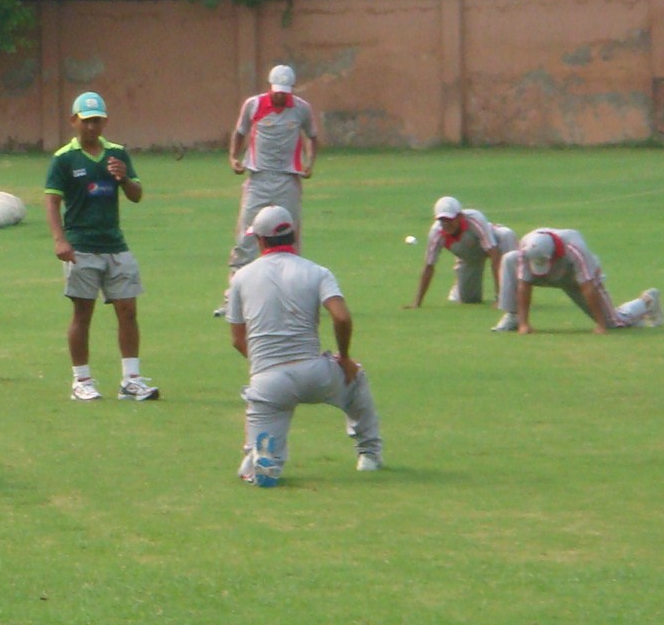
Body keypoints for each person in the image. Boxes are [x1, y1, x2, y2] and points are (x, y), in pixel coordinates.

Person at [226, 205, 383, 487]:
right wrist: (345, 357)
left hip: (268, 381)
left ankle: (261, 460)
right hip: (315, 373)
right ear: (294, 234)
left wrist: (264, 367)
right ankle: (369, 455)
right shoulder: (317, 272)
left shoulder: (241, 278)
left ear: (260, 241)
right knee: (356, 379)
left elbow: (238, 339)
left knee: (260, 442)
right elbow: (342, 317)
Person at [45, 90, 158, 402]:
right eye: (86, 121)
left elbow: (136, 195)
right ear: (74, 121)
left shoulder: (117, 154)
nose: (92, 127)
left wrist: (124, 179)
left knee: (128, 310)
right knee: (83, 313)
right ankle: (81, 380)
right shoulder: (64, 159)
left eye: (97, 121)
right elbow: (52, 201)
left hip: (115, 245)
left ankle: (131, 380)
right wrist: (60, 239)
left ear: (105, 121)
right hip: (81, 246)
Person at [216, 64, 317, 316]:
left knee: (289, 239)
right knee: (246, 238)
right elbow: (239, 133)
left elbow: (312, 136)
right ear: (271, 87)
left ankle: (292, 301)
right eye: (277, 92)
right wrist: (233, 158)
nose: (281, 97)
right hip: (258, 179)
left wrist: (309, 162)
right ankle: (233, 300)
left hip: (288, 180)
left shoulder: (301, 109)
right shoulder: (253, 105)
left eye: (285, 92)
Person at [492, 227, 662, 334]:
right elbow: (524, 284)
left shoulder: (575, 249)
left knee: (614, 323)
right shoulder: (527, 248)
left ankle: (646, 302)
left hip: (576, 278)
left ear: (552, 255)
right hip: (549, 274)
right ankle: (513, 317)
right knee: (509, 259)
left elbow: (588, 287)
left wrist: (601, 325)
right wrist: (524, 324)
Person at [407, 196, 514, 309]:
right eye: (442, 220)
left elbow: (494, 254)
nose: (446, 224)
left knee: (507, 235)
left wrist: (500, 297)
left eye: (450, 219)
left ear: (459, 216)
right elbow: (429, 266)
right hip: (469, 257)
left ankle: (511, 297)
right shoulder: (436, 233)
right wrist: (417, 302)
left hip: (494, 243)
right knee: (469, 299)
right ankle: (458, 290)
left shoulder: (475, 219)